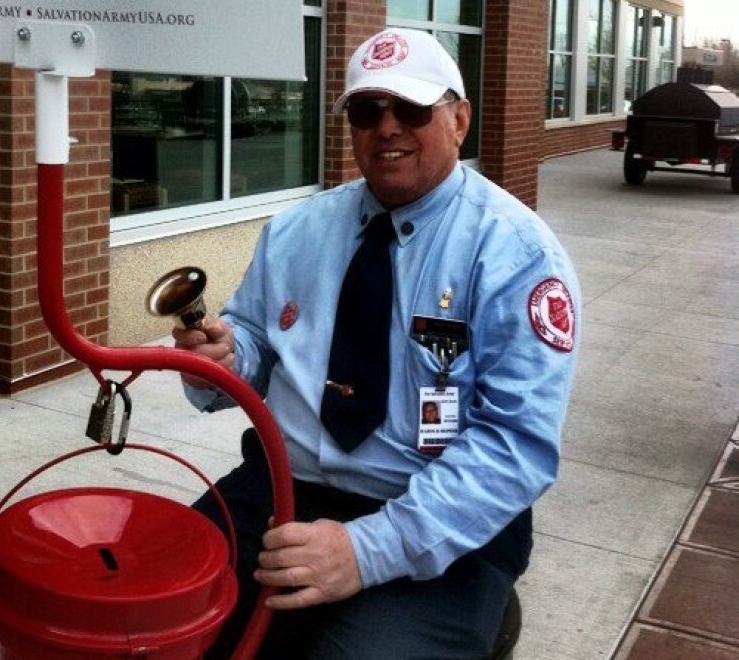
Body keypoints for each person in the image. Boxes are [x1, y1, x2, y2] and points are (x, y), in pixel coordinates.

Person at [174, 27, 580, 659]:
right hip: (284, 490)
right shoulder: (296, 230)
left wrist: (367, 550)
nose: (387, 128)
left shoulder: (514, 255)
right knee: (154, 605)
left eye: (412, 109)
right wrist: (224, 359)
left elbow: (515, 445)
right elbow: (255, 341)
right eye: (368, 111)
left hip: (444, 522)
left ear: (459, 119)